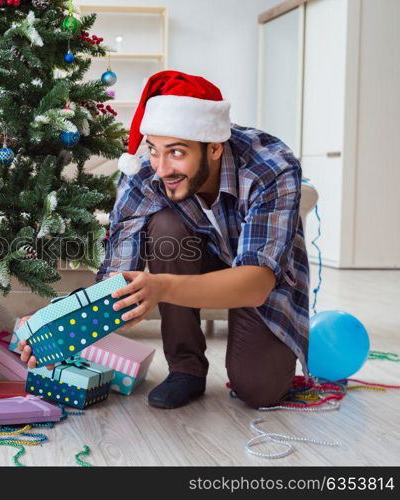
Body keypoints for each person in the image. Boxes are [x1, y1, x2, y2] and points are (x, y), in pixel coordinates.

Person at [19, 70, 309, 411]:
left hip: (258, 275)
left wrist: (160, 287)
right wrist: (56, 327)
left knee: (259, 389)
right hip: (192, 260)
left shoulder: (270, 166)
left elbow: (257, 282)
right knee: (166, 226)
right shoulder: (144, 172)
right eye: (154, 150)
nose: (161, 168)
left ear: (214, 148)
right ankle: (186, 369)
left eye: (176, 152)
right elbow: (116, 279)